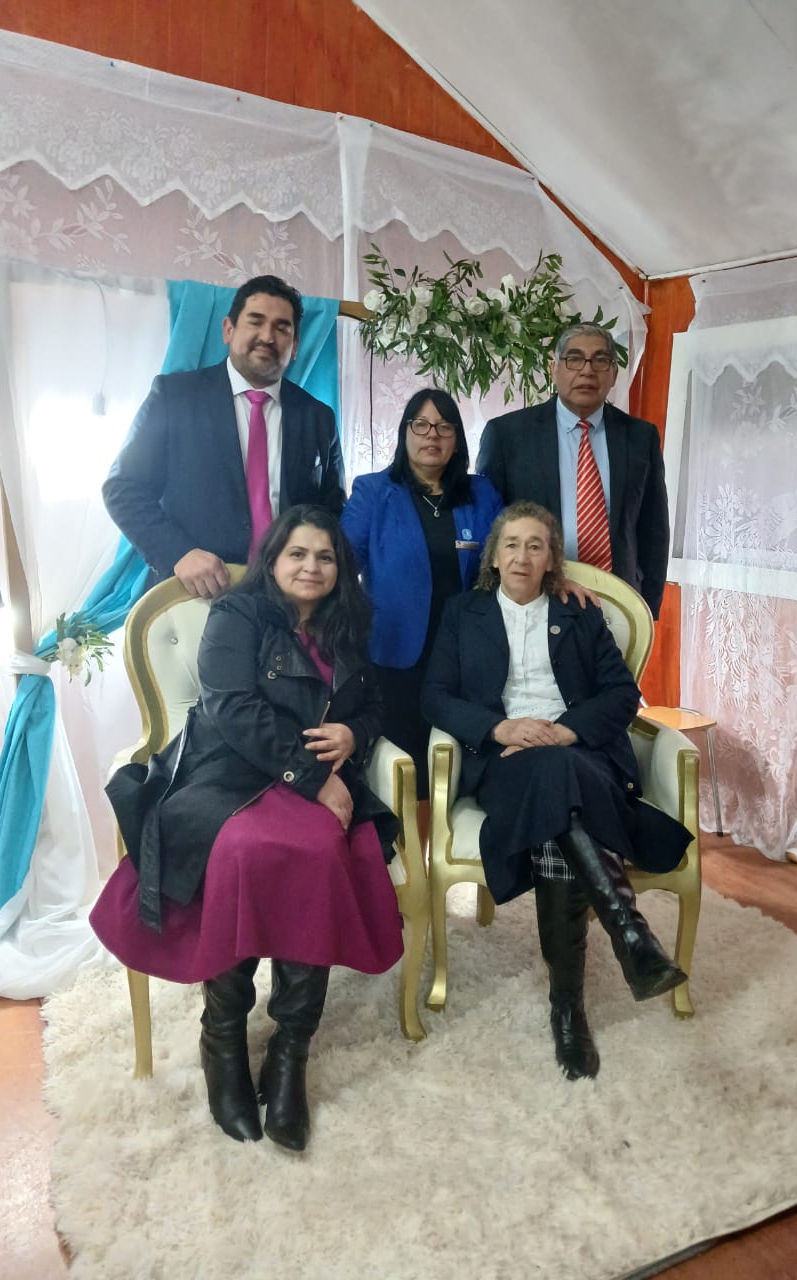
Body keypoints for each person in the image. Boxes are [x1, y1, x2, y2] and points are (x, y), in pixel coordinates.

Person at [91, 506, 402, 1151]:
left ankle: (290, 1051)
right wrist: (314, 779)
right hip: (228, 773)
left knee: (321, 848)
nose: (311, 567)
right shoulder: (237, 613)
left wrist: (355, 733)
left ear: (339, 568)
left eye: (325, 557)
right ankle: (224, 1039)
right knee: (241, 848)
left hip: (313, 777)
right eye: (298, 554)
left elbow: (374, 705)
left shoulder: (346, 625)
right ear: (274, 560)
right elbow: (232, 709)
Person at [421, 501, 691, 1082]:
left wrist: (566, 731)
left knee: (558, 786)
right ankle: (628, 936)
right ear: (494, 556)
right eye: (511, 544)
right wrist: (501, 729)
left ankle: (568, 1006)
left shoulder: (579, 613)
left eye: (536, 545)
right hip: (505, 761)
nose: (522, 555)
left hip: (581, 754)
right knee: (556, 785)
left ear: (551, 559)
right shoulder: (464, 612)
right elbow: (435, 695)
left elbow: (622, 695)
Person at [103, 275, 345, 598]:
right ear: (228, 330)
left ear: (296, 346)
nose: (267, 336)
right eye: (255, 321)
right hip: (196, 595)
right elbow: (123, 488)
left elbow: (332, 511)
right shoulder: (174, 397)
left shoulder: (318, 417)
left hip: (287, 601)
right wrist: (179, 553)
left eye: (282, 328)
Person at [340, 388, 502, 796]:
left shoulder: (481, 494)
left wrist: (556, 577)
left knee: (459, 767)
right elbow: (341, 567)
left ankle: (452, 829)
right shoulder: (374, 491)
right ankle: (406, 834)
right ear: (405, 432)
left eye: (445, 427)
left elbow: (513, 553)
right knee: (406, 769)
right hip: (395, 651)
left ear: (457, 439)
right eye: (422, 425)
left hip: (465, 653)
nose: (433, 435)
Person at [476, 323, 670, 618]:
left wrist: (646, 610)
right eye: (574, 359)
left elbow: (654, 529)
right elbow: (489, 527)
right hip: (532, 601)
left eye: (600, 360)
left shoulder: (640, 437)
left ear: (614, 373)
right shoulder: (508, 435)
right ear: (553, 368)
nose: (587, 371)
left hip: (618, 603)